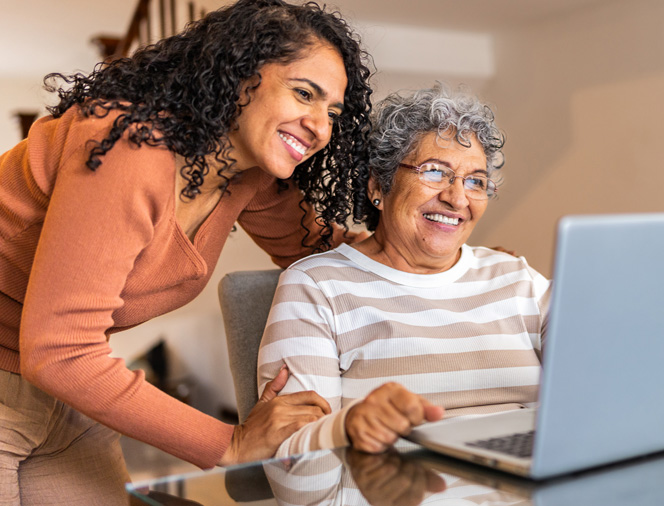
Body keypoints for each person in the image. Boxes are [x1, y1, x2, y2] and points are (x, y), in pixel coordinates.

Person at [0, 0, 372, 503]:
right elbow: (61, 350)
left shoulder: (247, 177)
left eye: (333, 113)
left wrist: (461, 261)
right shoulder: (129, 146)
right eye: (304, 93)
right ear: (239, 73)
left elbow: (330, 254)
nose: (320, 127)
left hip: (60, 398)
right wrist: (232, 442)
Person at [258, 83, 551, 457]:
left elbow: (610, 380)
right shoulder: (316, 286)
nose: (457, 198)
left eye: (475, 180)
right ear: (379, 185)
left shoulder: (516, 277)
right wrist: (343, 430)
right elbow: (296, 472)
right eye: (434, 172)